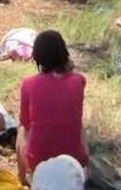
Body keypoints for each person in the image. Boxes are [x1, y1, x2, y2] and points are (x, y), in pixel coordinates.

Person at [16, 31, 88, 182]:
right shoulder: (79, 81)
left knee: (22, 128)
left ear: (37, 57)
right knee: (79, 124)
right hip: (74, 162)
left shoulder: (28, 84)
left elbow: (26, 123)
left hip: (38, 163)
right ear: (64, 53)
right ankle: (87, 168)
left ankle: (21, 177)